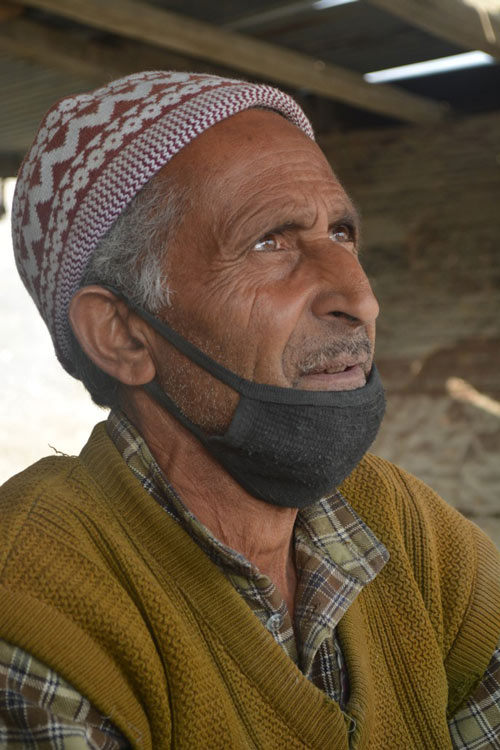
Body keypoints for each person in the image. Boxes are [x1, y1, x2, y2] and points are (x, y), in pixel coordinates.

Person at [1, 71, 499, 750]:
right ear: (122, 334)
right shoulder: (32, 604)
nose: (360, 297)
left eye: (343, 234)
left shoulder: (405, 528)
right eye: (271, 241)